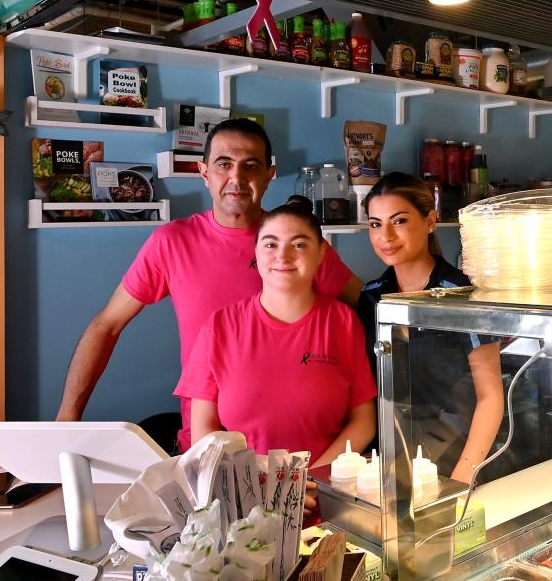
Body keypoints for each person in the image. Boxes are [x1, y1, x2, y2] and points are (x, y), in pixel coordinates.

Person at [56, 118, 364, 451]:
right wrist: (66, 419)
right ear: (204, 173)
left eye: (250, 166)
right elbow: (107, 326)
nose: (237, 178)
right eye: (223, 164)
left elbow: (365, 308)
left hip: (307, 454)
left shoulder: (294, 244)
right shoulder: (172, 243)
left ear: (268, 175)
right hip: (208, 446)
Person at [177, 202, 375, 465]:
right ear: (256, 253)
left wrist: (311, 480)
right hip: (243, 496)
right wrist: (258, 488)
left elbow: (364, 421)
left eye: (299, 244)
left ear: (320, 255)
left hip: (327, 491)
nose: (283, 256)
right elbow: (204, 434)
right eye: (271, 244)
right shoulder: (219, 326)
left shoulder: (343, 322)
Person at [358, 172, 504, 484]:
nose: (385, 235)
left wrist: (461, 479)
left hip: (459, 452)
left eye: (399, 221)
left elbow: (491, 397)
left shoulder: (462, 294)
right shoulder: (371, 296)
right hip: (392, 454)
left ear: (430, 221)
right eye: (375, 224)